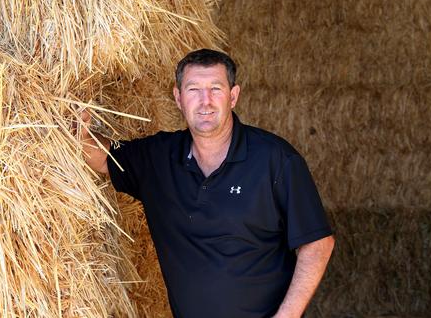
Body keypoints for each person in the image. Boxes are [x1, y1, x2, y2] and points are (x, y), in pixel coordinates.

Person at [79, 49, 334, 318]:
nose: (205, 101)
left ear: (233, 96)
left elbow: (318, 243)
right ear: (178, 98)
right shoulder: (159, 158)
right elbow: (104, 158)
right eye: (193, 90)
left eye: (215, 88)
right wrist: (74, 129)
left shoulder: (276, 160)